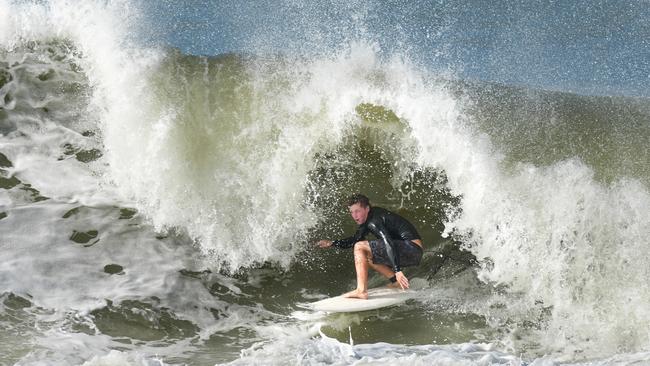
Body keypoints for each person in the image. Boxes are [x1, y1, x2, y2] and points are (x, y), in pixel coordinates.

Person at [317, 193, 424, 299]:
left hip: (411, 249)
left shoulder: (374, 221)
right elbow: (355, 240)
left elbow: (388, 242)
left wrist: (397, 270)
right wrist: (332, 243)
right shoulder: (368, 218)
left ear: (367, 208)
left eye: (357, 211)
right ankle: (396, 282)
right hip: (411, 251)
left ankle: (361, 291)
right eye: (352, 212)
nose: (354, 216)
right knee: (365, 254)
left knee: (360, 247)